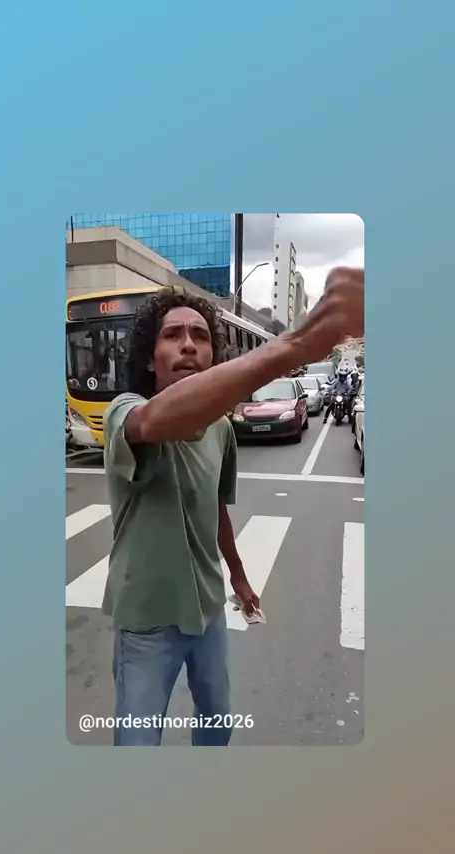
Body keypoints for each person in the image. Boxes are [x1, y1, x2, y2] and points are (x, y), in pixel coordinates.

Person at [102, 267, 364, 746]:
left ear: (213, 356)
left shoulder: (222, 429)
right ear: (150, 359)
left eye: (200, 336)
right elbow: (156, 422)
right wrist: (292, 348)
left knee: (217, 722)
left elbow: (217, 507)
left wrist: (239, 579)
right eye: (172, 335)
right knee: (136, 743)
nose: (188, 345)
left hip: (207, 610)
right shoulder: (125, 411)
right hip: (145, 619)